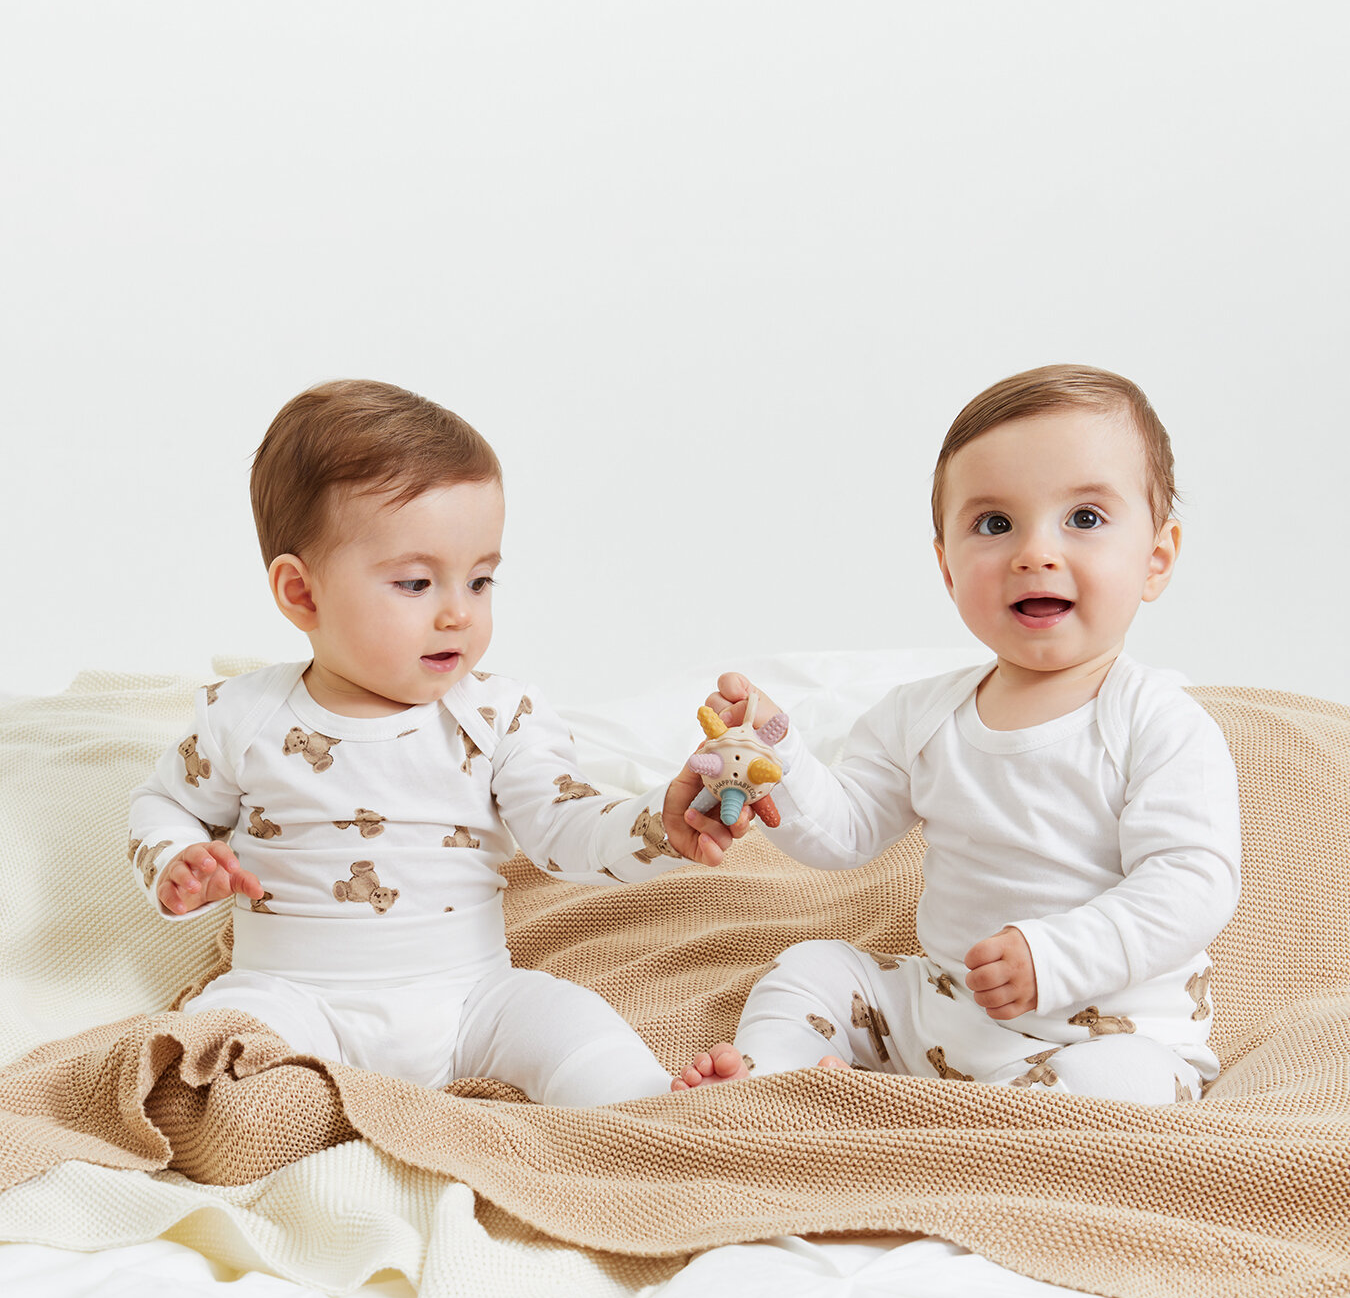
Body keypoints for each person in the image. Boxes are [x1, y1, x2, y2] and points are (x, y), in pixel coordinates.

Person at [127, 379, 741, 1105]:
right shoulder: (243, 716)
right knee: (218, 1053)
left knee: (569, 1020)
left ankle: (644, 1106)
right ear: (302, 593)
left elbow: (565, 827)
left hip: (473, 996)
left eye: (480, 581)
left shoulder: (500, 714)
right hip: (292, 995)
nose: (459, 614)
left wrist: (659, 821)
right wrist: (177, 861)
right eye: (417, 584)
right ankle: (277, 1113)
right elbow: (164, 803)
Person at [672, 364, 1241, 1106]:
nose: (1035, 552)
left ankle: (954, 1124)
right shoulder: (920, 716)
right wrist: (774, 752)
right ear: (947, 568)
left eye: (1084, 518)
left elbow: (1191, 884)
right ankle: (776, 1086)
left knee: (1124, 1085)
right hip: (944, 1015)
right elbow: (844, 831)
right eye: (995, 524)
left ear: (1155, 560)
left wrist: (1053, 957)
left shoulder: (1161, 723)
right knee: (813, 968)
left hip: (1103, 1034)